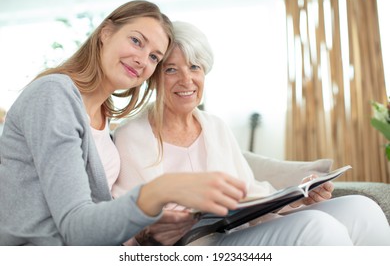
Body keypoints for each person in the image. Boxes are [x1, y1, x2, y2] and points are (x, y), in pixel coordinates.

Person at [112, 21, 390, 246]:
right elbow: (123, 218)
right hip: (195, 246)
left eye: (194, 67)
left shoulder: (214, 125)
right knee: (317, 227)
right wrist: (148, 233)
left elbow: (251, 193)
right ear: (154, 78)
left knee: (362, 208)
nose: (187, 80)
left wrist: (299, 196)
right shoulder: (131, 135)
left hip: (235, 230)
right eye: (171, 69)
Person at [0, 1, 248, 246]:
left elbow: (99, 218)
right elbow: (76, 229)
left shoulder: (101, 114)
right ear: (106, 33)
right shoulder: (53, 95)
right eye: (136, 41)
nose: (141, 59)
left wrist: (145, 232)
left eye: (153, 57)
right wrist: (160, 190)